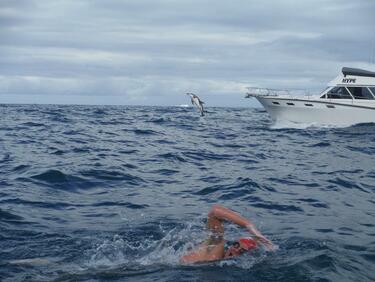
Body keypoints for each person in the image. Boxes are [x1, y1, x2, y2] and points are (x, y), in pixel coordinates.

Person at [180, 205, 275, 264]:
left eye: (241, 251)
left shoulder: (220, 258)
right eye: (237, 245)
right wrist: (250, 227)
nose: (236, 250)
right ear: (232, 245)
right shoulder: (215, 248)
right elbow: (215, 211)